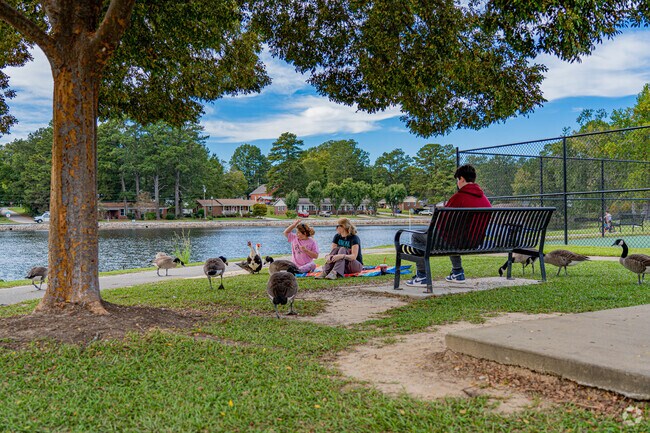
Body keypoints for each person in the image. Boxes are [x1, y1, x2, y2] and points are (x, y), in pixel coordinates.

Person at [406, 164, 492, 286]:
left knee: (416, 235)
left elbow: (442, 224)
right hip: (475, 242)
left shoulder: (458, 197)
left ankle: (422, 275)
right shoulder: (485, 199)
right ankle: (457, 272)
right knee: (453, 235)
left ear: (461, 178)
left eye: (457, 180)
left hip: (455, 241)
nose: (458, 183)